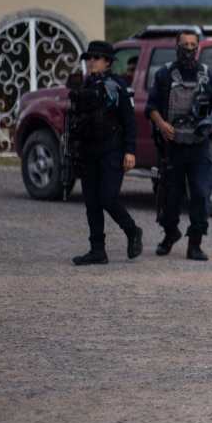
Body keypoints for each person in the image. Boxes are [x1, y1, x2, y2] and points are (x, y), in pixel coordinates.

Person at [145, 30, 212, 261]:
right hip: (172, 147)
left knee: (201, 194)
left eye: (193, 44)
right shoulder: (164, 74)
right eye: (185, 44)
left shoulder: (206, 75)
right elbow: (150, 107)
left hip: (199, 146)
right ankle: (170, 234)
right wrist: (162, 124)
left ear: (198, 47)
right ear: (177, 46)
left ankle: (195, 243)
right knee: (170, 198)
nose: (189, 49)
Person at [70, 40, 144, 265]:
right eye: (89, 58)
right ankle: (97, 250)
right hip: (88, 151)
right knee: (91, 201)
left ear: (108, 62)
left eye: (96, 58)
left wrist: (130, 151)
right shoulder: (84, 86)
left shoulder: (117, 86)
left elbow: (129, 121)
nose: (91, 62)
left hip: (112, 150)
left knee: (108, 198)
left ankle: (132, 231)